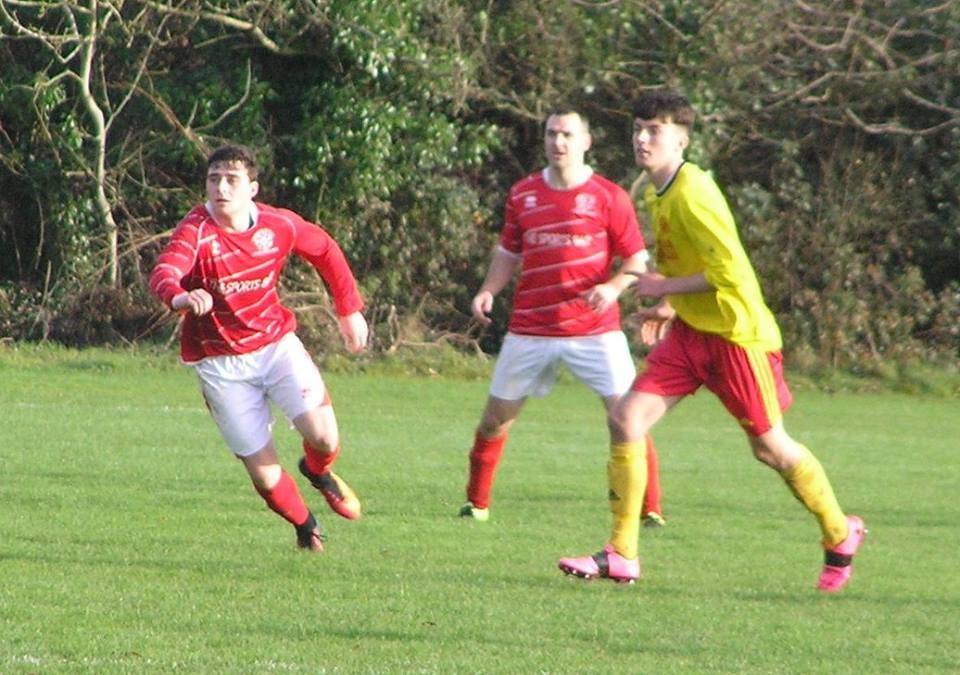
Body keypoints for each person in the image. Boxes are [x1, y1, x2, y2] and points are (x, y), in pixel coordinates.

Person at [558, 90, 865, 590]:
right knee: (626, 419)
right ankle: (622, 553)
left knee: (770, 449)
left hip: (737, 337)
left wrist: (664, 288)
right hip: (692, 334)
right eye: (637, 128)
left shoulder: (694, 192)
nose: (641, 138)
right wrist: (668, 305)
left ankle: (839, 532)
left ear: (681, 140)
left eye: (654, 130)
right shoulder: (655, 189)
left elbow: (732, 275)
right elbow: (687, 262)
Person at [149, 144, 368, 553]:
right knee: (266, 477)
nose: (221, 188)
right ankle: (306, 526)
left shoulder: (277, 225)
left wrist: (349, 309)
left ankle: (318, 471)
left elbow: (324, 249)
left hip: (275, 347)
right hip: (220, 365)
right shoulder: (196, 230)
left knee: (324, 437)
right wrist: (179, 296)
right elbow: (165, 270)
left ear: (252, 189)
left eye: (231, 180)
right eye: (214, 179)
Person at [460, 106, 665, 528]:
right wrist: (488, 290)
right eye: (552, 133)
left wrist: (612, 288)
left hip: (595, 331)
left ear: (586, 141)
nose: (558, 142)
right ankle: (476, 504)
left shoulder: (609, 196)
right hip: (531, 329)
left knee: (628, 418)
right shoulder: (523, 193)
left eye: (568, 134)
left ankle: (650, 510)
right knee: (495, 420)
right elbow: (508, 252)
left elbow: (636, 261)